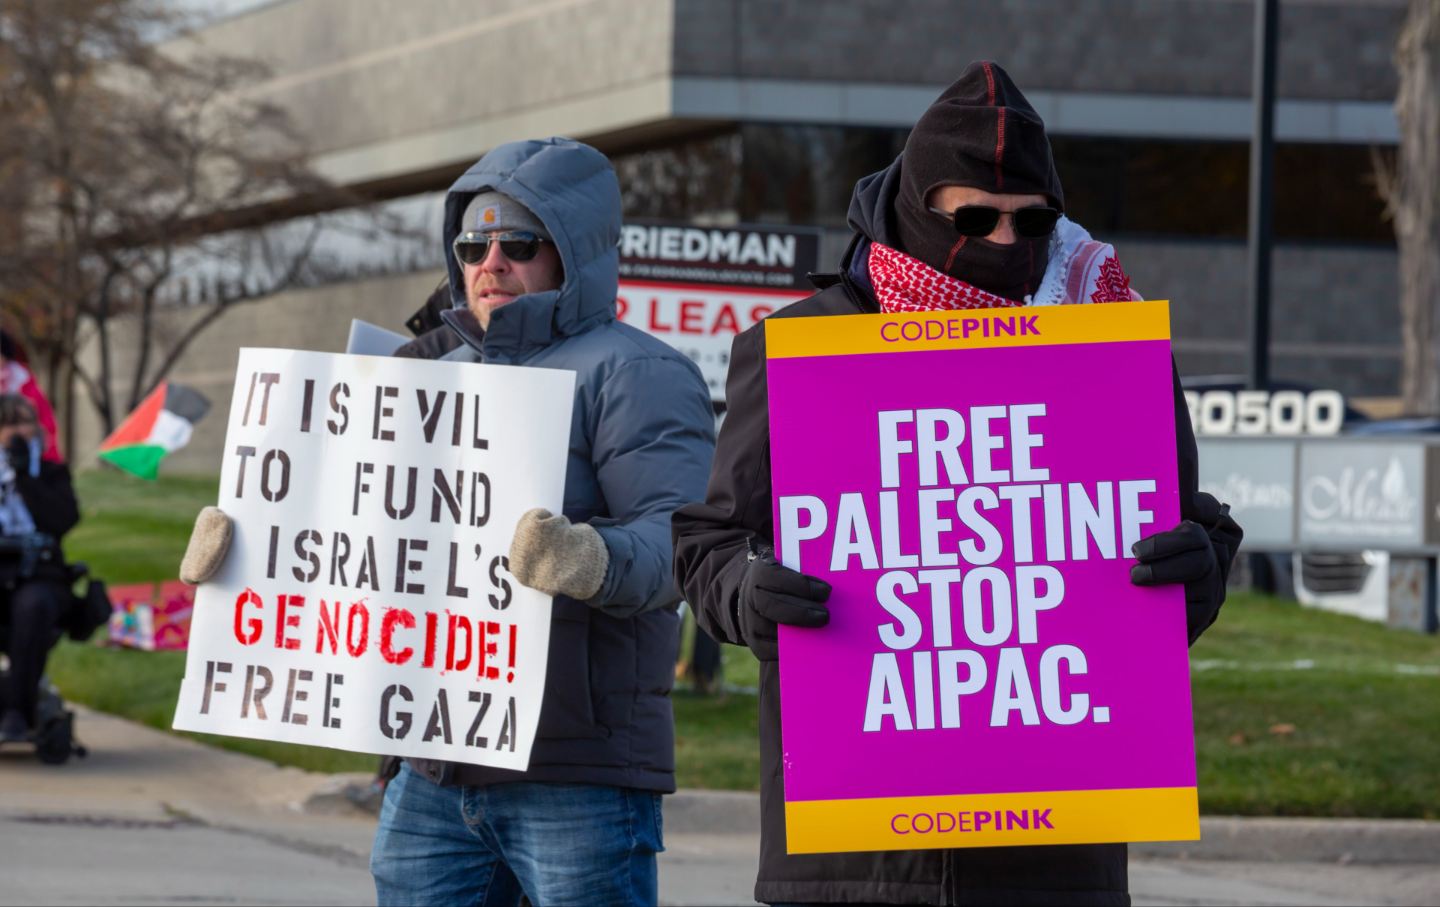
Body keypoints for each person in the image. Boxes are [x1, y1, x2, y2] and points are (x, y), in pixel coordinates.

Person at [671, 62, 1243, 906]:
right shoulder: (807, 347)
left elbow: (1183, 523)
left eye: (1032, 221)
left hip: (1054, 852)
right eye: (974, 218)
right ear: (916, 206)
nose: (1007, 246)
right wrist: (748, 593)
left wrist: (1195, 570)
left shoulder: (1105, 344)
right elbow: (707, 541)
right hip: (852, 854)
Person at [181, 137, 715, 907]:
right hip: (430, 765)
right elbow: (347, 537)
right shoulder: (421, 368)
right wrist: (241, 555)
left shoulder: (637, 372)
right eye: (474, 243)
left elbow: (682, 540)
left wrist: (588, 558)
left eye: (519, 243)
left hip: (574, 769)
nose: (491, 262)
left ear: (574, 252)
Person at [0, 394, 80, 742]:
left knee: (34, 607)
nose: (16, 430)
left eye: (23, 421)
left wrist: (25, 478)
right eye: (7, 423)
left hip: (39, 576)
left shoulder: (50, 473)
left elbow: (62, 520)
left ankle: (18, 709)